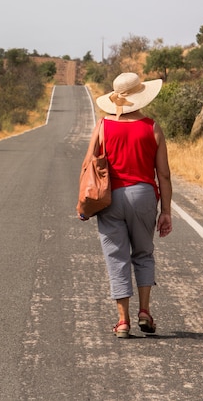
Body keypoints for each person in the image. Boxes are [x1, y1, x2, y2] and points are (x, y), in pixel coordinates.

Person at [79, 72, 172, 338]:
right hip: (143, 195)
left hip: (109, 198)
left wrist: (83, 204)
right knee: (143, 254)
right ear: (141, 96)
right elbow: (163, 174)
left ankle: (122, 322)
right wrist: (165, 211)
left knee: (116, 258)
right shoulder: (152, 127)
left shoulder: (103, 126)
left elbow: (88, 165)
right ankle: (145, 312)